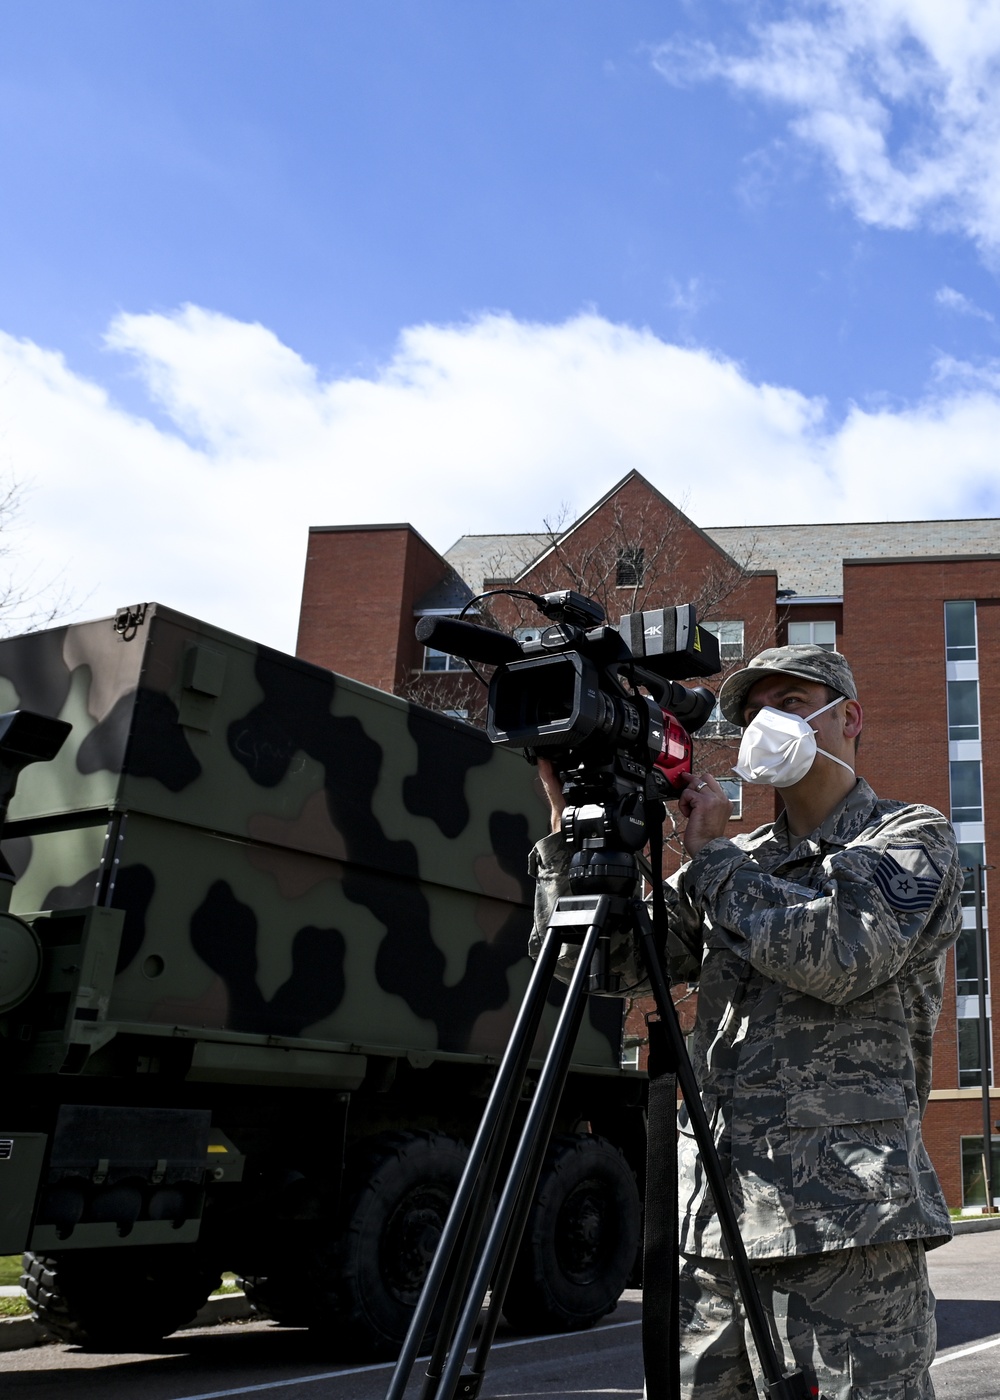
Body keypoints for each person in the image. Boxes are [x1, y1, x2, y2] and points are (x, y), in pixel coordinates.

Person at [529, 644, 962, 1400]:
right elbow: (605, 965)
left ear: (848, 718)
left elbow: (845, 952)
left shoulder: (908, 836)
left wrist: (713, 861)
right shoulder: (734, 858)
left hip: (846, 1226)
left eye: (790, 706)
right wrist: (572, 826)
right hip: (715, 1227)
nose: (769, 725)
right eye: (756, 714)